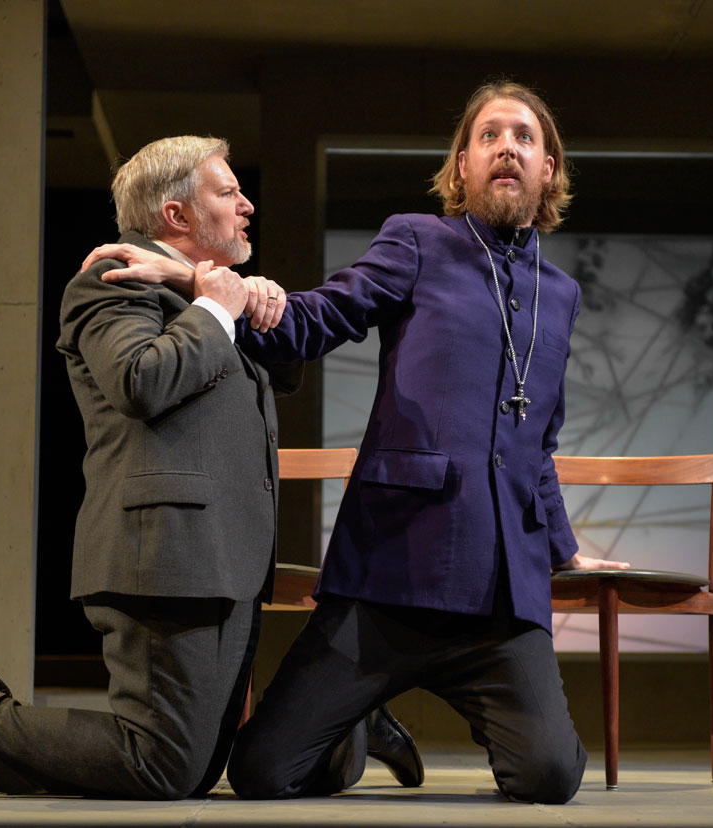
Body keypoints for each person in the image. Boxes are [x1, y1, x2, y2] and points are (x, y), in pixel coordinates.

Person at [79, 81, 629, 804]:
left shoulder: (561, 294)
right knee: (263, 772)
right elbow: (313, 320)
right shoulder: (418, 241)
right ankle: (361, 717)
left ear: (548, 169)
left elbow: (539, 444)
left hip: (501, 599)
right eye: (489, 136)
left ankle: (371, 711)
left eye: (525, 138)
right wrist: (192, 279)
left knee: (551, 777)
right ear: (461, 166)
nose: (507, 148)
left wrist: (563, 549)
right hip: (391, 578)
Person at [0, 136, 418, 800]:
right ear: (177, 214)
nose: (247, 205)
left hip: (225, 559)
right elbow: (141, 380)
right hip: (165, 557)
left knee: (216, 768)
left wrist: (247, 299)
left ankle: (341, 719)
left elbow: (282, 367)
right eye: (227, 192)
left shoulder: (204, 295)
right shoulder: (111, 280)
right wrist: (217, 306)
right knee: (162, 765)